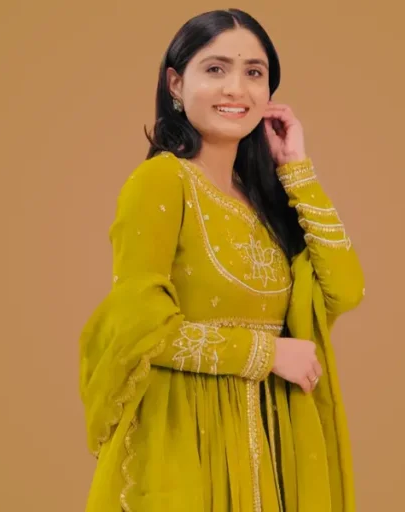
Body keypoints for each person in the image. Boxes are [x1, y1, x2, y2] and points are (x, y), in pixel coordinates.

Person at [78, 8, 365, 511]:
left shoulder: (266, 204)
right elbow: (142, 329)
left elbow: (344, 289)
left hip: (272, 448)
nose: (237, 88)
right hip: (185, 443)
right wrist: (267, 355)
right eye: (215, 69)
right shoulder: (161, 181)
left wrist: (296, 169)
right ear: (175, 83)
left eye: (254, 72)